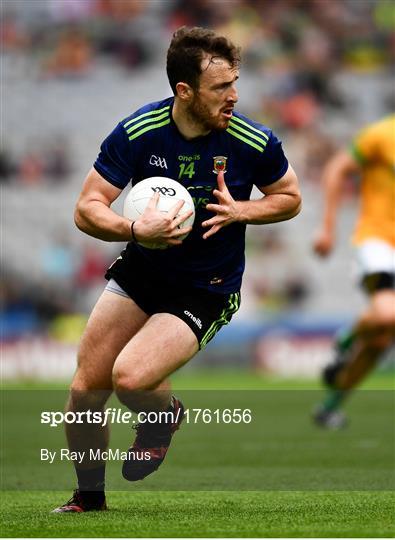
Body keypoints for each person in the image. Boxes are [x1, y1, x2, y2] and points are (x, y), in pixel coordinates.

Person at [53, 26, 301, 513]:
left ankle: (163, 416)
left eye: (235, 82)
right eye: (220, 88)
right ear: (184, 91)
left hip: (206, 287)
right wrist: (132, 230)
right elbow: (87, 208)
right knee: (85, 390)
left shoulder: (253, 140)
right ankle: (89, 499)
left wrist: (241, 211)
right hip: (143, 270)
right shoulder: (138, 133)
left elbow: (290, 197)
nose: (234, 96)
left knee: (129, 378)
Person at [312, 114, 395, 429]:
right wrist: (327, 227)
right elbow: (337, 169)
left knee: (380, 340)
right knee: (387, 316)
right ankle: (345, 339)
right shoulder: (382, 134)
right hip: (379, 241)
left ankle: (329, 407)